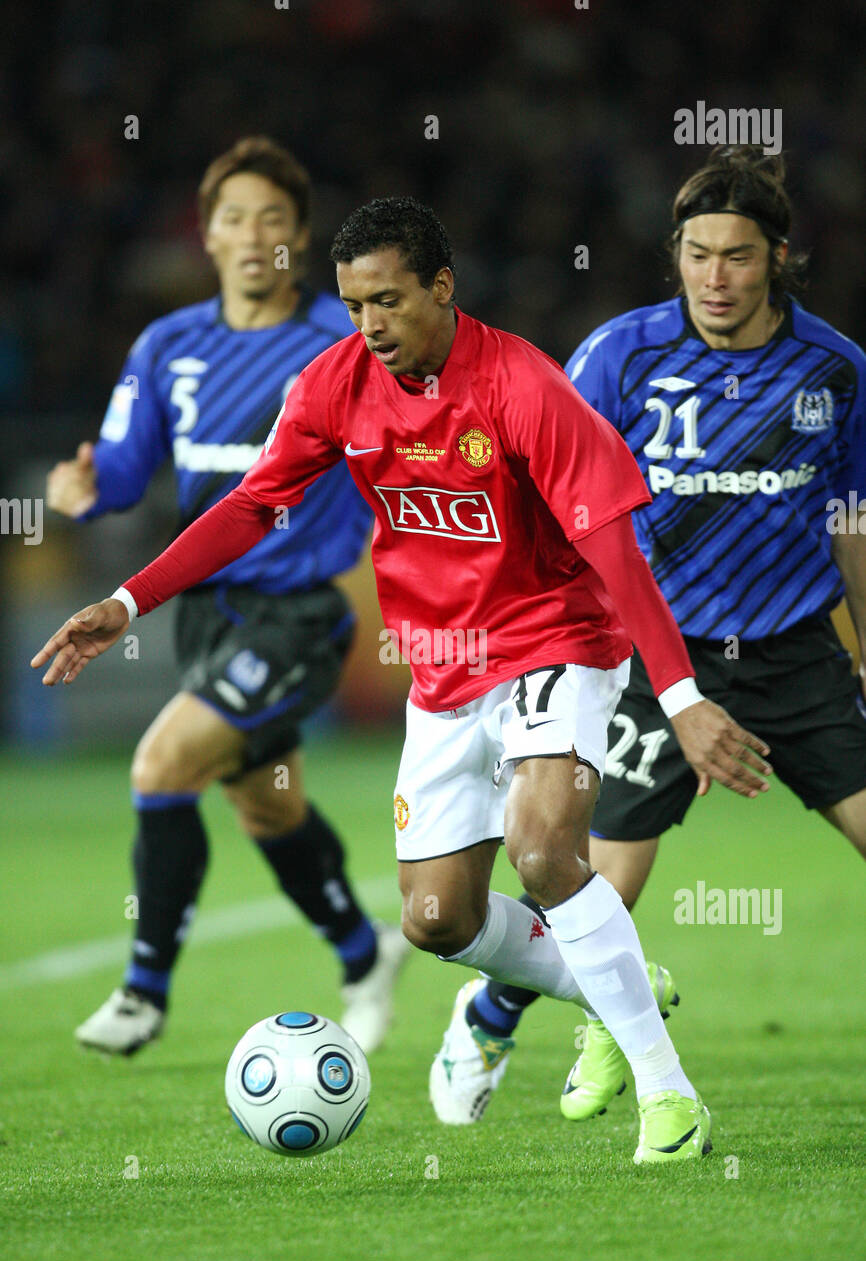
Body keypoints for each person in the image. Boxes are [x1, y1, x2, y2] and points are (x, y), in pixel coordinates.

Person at [32, 196, 774, 1164]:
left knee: (545, 849)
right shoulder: (335, 383)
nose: (369, 324)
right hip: (439, 668)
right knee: (435, 920)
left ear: (441, 286)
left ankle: (667, 1095)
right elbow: (256, 505)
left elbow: (615, 550)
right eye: (351, 304)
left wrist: (680, 701)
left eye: (387, 299)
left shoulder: (523, 386)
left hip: (555, 640)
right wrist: (128, 603)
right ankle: (586, 975)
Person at [455, 146, 866, 1127]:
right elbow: (550, 499)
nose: (713, 277)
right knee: (594, 886)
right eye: (695, 254)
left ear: (774, 257)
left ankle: (564, 1018)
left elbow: (851, 517)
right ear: (673, 256)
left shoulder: (834, 370)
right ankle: (504, 1015)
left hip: (794, 652)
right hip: (655, 655)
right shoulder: (617, 357)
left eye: (734, 255)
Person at [46, 137, 407, 1058]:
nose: (255, 236)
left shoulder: (341, 339)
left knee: (163, 763)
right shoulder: (167, 345)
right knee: (268, 805)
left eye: (275, 220)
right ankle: (367, 956)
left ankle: (142, 990)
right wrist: (84, 489)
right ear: (206, 234)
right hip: (207, 616)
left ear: (300, 237)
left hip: (300, 615)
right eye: (235, 217)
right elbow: (125, 472)